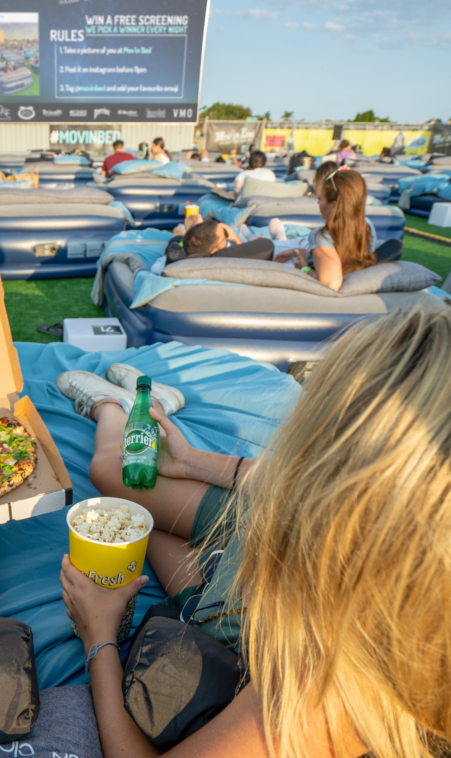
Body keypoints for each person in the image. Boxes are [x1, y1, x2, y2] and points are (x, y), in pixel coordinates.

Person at [57, 306, 451, 758]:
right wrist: (191, 462)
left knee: (125, 502)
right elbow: (285, 481)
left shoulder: (336, 688)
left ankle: (109, 406)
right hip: (265, 570)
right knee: (121, 478)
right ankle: (140, 406)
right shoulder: (409, 530)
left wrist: (99, 639)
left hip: (252, 606)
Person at [274, 168, 376, 289]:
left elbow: (331, 284)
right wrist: (297, 251)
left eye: (320, 199)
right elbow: (339, 256)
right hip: (299, 250)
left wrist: (304, 268)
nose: (318, 203)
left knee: (273, 230)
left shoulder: (321, 236)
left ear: (333, 204)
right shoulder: (367, 226)